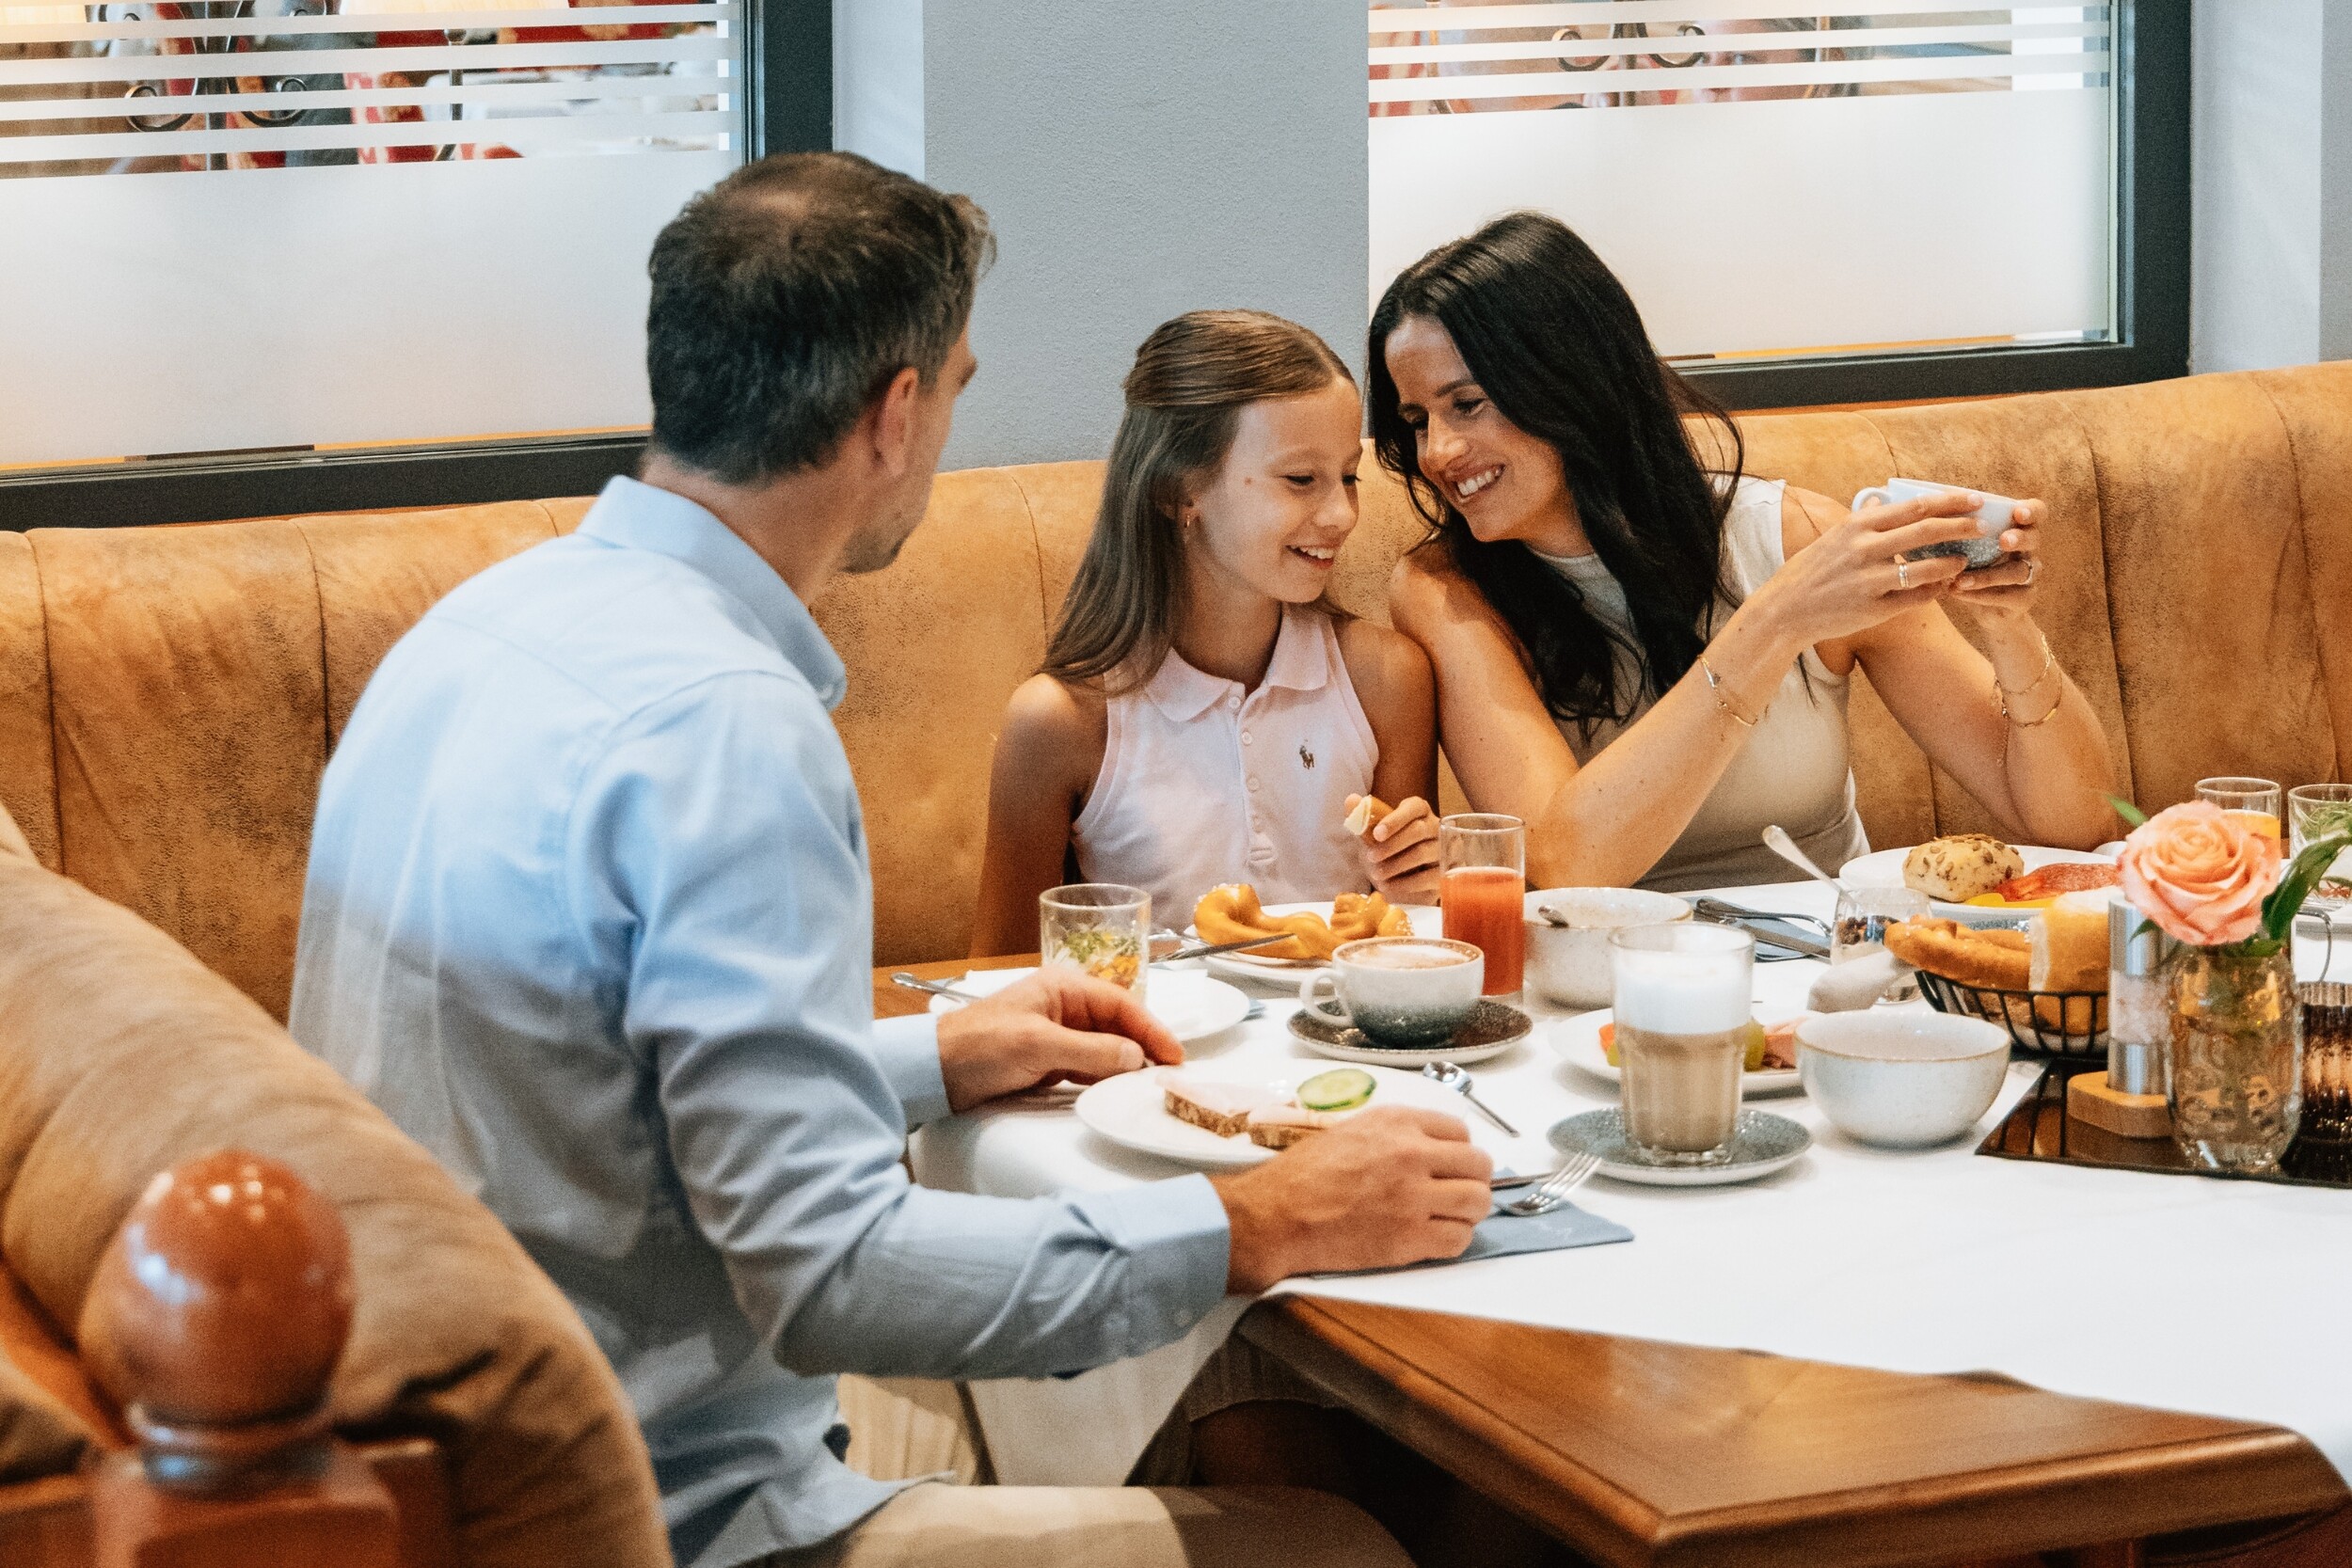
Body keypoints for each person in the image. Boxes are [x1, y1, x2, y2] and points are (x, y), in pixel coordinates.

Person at [290, 151, 1492, 1568]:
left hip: (417, 1462)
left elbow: (598, 1100)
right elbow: (827, 1270)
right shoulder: (725, 724)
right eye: (962, 386)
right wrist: (1255, 1222)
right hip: (656, 1511)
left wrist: (930, 1059)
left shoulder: (481, 626)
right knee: (1344, 1548)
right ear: (896, 411)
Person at [1368, 213, 2119, 891]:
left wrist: (2007, 624)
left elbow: (2074, 826)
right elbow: (1565, 864)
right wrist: (1776, 621)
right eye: (1417, 419)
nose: (1439, 451)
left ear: (1571, 380)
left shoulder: (1793, 539)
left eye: (1467, 404)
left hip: (1828, 971)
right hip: (1605, 988)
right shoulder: (1445, 590)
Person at [970, 309, 1439, 958]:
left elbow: (1407, 939)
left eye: (1349, 477)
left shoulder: (1387, 680)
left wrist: (1418, 886)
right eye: (1301, 479)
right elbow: (999, 981)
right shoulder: (1060, 724)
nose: (1341, 514)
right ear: (1178, 489)